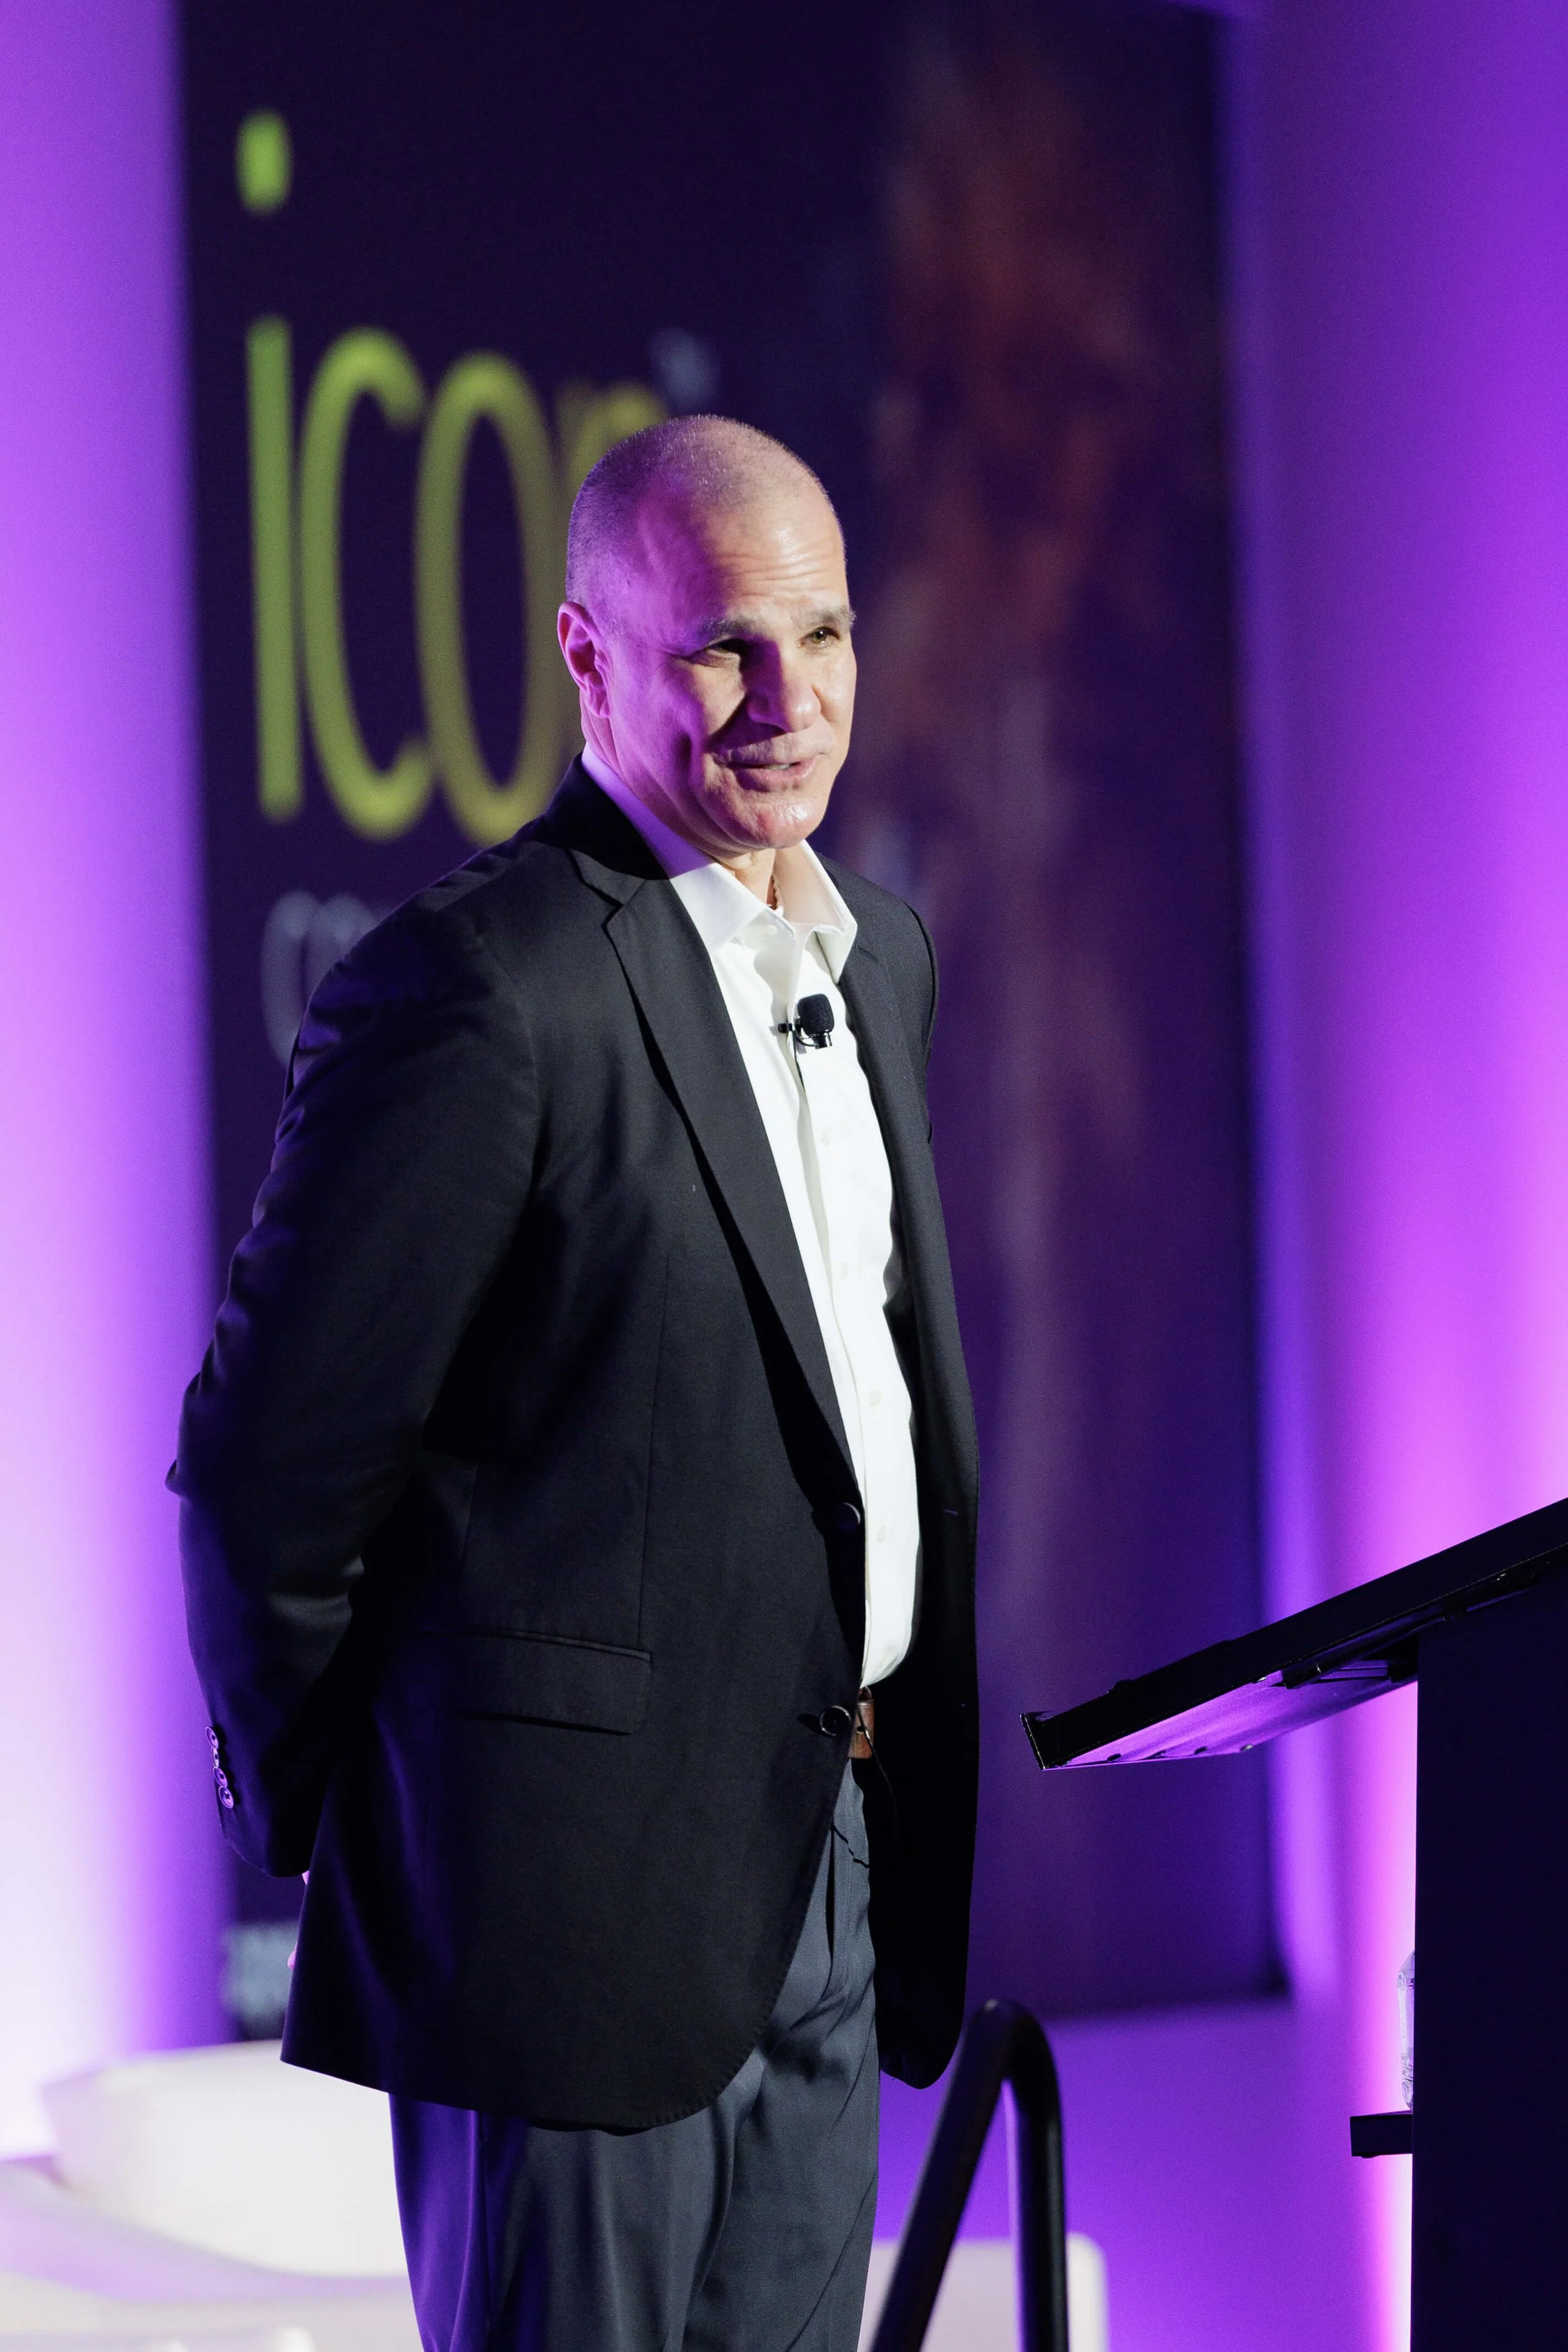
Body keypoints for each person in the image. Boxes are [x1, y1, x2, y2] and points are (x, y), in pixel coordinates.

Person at [175, 415, 978, 2352]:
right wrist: (415, 1824)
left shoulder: (878, 959)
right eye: (721, 646)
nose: (787, 698)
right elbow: (270, 1476)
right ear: (586, 657)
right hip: (556, 1923)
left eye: (822, 633)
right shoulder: (481, 981)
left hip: (825, 1864)